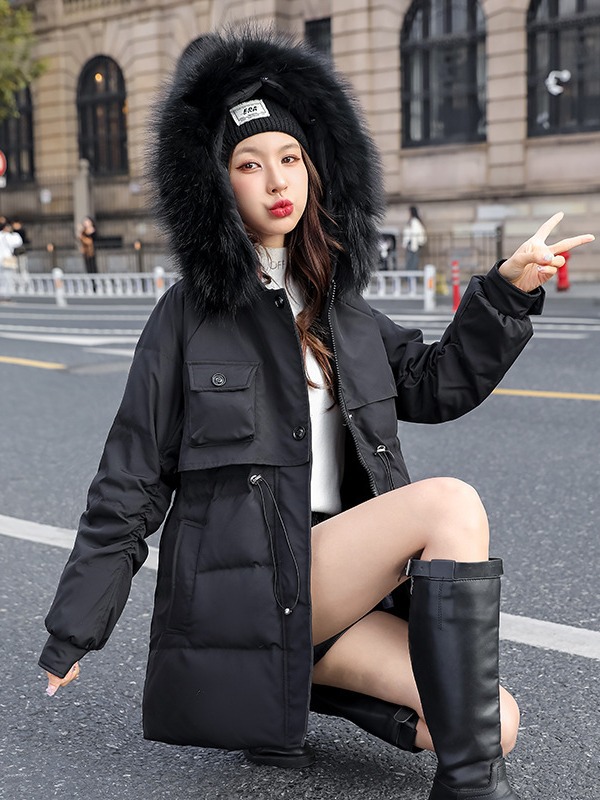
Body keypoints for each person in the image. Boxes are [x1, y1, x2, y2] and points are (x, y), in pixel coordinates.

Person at [38, 30, 594, 800]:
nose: (277, 181)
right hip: (251, 588)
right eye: (249, 164)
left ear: (315, 169)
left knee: (492, 722)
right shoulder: (187, 318)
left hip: (335, 589)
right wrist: (74, 630)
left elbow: (436, 384)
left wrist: (505, 292)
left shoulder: (343, 312)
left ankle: (284, 687)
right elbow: (129, 481)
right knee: (450, 504)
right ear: (216, 185)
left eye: (291, 158)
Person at [0, 219, 23, 300]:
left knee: (3, 277)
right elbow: (18, 242)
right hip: (7, 258)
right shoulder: (9, 236)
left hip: (3, 258)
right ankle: (6, 294)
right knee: (7, 277)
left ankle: (3, 294)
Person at [402, 205, 427, 270]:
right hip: (411, 245)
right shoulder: (411, 221)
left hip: (413, 245)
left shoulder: (414, 221)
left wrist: (413, 246)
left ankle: (412, 275)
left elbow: (414, 234)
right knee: (410, 261)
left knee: (412, 262)